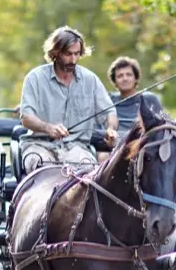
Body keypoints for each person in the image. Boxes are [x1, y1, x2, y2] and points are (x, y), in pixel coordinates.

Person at [18, 26, 118, 175]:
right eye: (68, 54)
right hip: (39, 145)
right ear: (55, 53)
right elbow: (26, 118)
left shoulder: (90, 80)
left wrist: (111, 130)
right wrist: (48, 128)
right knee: (44, 170)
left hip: (77, 148)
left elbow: (110, 112)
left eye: (77, 54)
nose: (73, 60)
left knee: (88, 173)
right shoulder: (35, 78)